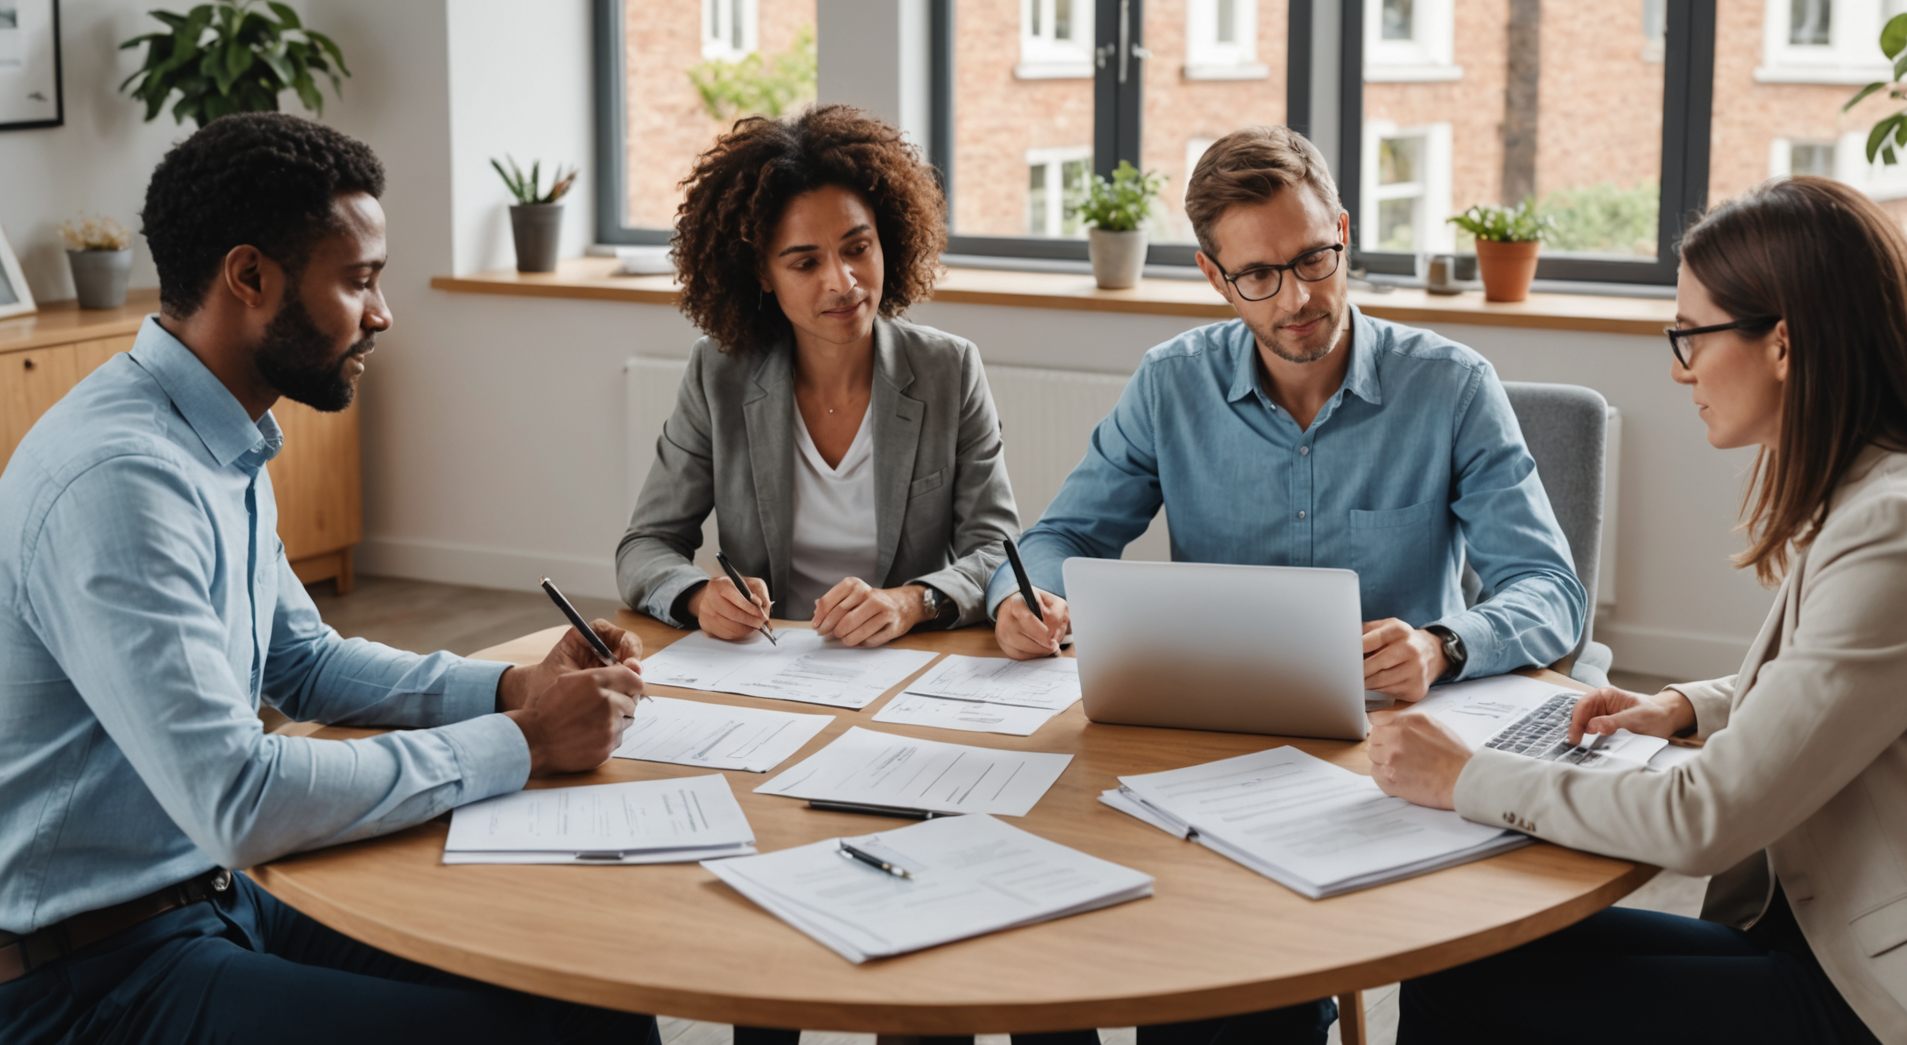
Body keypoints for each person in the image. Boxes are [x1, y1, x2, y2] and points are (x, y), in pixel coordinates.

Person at [0, 114, 656, 1045]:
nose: (383, 313)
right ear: (251, 278)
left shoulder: (210, 434)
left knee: (593, 988)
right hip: (93, 975)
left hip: (213, 900)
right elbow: (240, 795)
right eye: (359, 280)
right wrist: (523, 741)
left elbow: (303, 662)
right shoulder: (122, 479)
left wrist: (517, 687)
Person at [1370, 176, 1907, 1045]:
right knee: (1464, 952)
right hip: (1831, 934)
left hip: (1887, 1001)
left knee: (1463, 978)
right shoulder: (1897, 491)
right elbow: (1842, 681)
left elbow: (1706, 820)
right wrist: (1681, 708)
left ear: (1782, 343)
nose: (1680, 370)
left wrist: (1464, 778)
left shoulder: (1902, 527)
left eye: (1692, 335)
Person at [991, 125, 1586, 698]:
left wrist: (1442, 647)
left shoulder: (1454, 388)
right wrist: (1025, 599)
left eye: (1311, 259)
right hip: (1218, 709)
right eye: (1256, 275)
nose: (1295, 298)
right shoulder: (1168, 384)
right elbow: (1063, 536)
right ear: (1216, 279)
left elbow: (1550, 589)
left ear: (1343, 232)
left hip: (1399, 723)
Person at [617, 104, 1019, 647]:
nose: (842, 281)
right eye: (805, 263)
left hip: (905, 659)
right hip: (764, 663)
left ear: (887, 239)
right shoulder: (718, 375)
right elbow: (645, 544)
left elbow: (997, 548)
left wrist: (913, 601)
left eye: (858, 248)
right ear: (763, 273)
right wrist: (697, 596)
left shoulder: (949, 369)